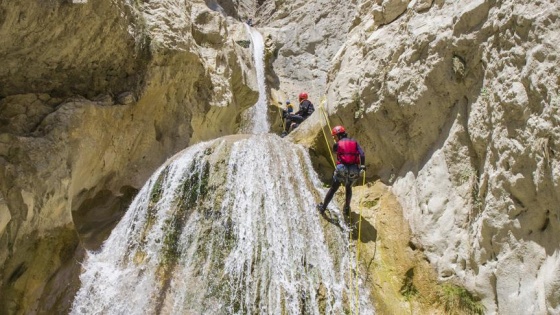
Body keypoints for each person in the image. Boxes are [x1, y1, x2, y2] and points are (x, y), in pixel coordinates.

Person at [317, 125, 366, 216]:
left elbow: (336, 151)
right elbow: (362, 154)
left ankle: (323, 208)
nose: (334, 139)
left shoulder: (337, 144)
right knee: (348, 187)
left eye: (335, 136)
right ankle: (347, 208)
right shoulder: (354, 142)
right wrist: (362, 166)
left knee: (333, 189)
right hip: (354, 169)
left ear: (338, 135)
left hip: (342, 168)